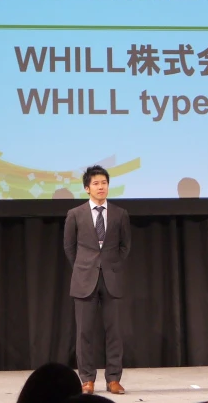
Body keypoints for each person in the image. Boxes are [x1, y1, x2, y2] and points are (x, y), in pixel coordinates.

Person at [64, 165, 132, 395]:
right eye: (96, 183)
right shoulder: (75, 214)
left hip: (112, 279)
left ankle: (113, 379)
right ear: (86, 188)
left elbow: (125, 246)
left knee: (114, 332)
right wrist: (84, 267)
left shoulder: (120, 213)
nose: (101, 187)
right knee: (85, 332)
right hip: (84, 279)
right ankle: (87, 380)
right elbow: (69, 247)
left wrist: (111, 265)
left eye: (104, 183)